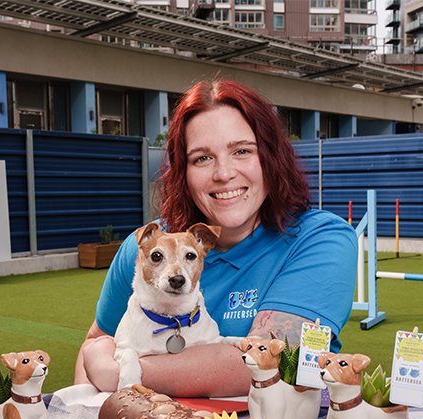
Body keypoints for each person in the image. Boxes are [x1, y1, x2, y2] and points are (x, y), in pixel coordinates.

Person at [74, 78, 357, 396]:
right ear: (183, 172)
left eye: (242, 151)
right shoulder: (144, 251)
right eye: (202, 158)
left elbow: (266, 359)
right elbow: (95, 344)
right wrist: (84, 417)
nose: (223, 173)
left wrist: (123, 373)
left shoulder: (320, 239)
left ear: (271, 157)